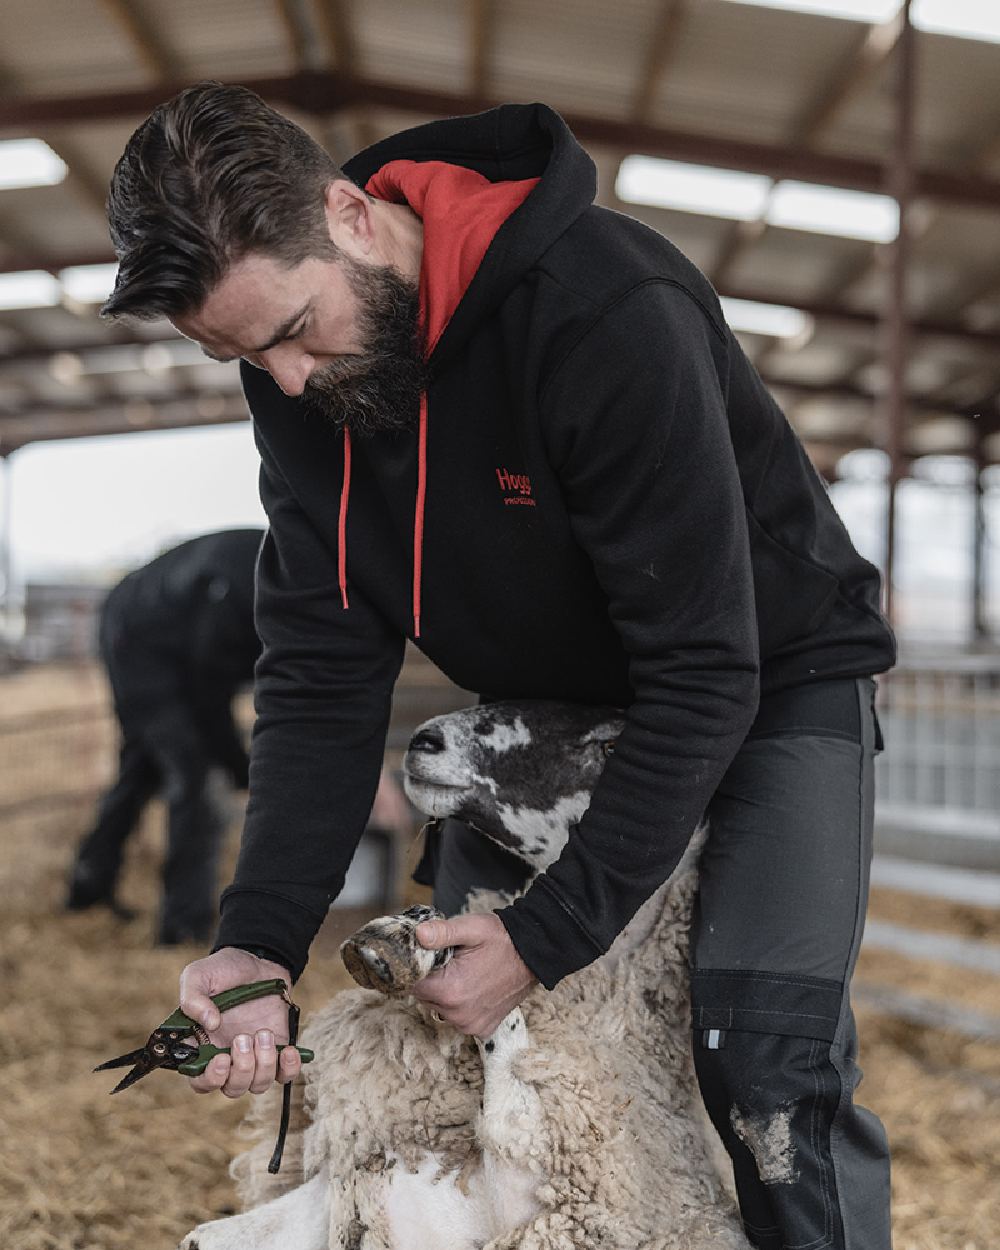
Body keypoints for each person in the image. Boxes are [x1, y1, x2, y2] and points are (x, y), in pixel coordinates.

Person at [99, 83, 896, 1249]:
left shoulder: (601, 308)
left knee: (762, 1054)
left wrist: (544, 934)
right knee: (461, 1056)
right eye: (241, 356)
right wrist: (256, 940)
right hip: (544, 708)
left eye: (291, 330)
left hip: (769, 675)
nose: (286, 381)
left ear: (350, 216)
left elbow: (701, 664)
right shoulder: (302, 384)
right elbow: (322, 671)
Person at [66, 528, 263, 944]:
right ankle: (183, 927)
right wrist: (239, 766)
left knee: (142, 766)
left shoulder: (284, 576)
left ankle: (89, 884)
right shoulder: (253, 585)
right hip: (138, 638)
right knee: (197, 776)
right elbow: (209, 689)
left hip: (165, 640)